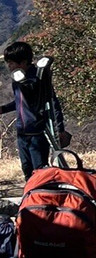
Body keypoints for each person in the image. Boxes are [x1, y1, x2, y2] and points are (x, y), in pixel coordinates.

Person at [1, 42, 71, 179]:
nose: (9, 66)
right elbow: (20, 102)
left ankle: (44, 197)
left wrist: (60, 129)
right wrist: (3, 109)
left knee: (40, 172)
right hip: (22, 132)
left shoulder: (38, 78)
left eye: (11, 63)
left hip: (38, 133)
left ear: (23, 62)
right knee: (27, 170)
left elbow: (53, 103)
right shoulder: (18, 79)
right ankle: (33, 198)